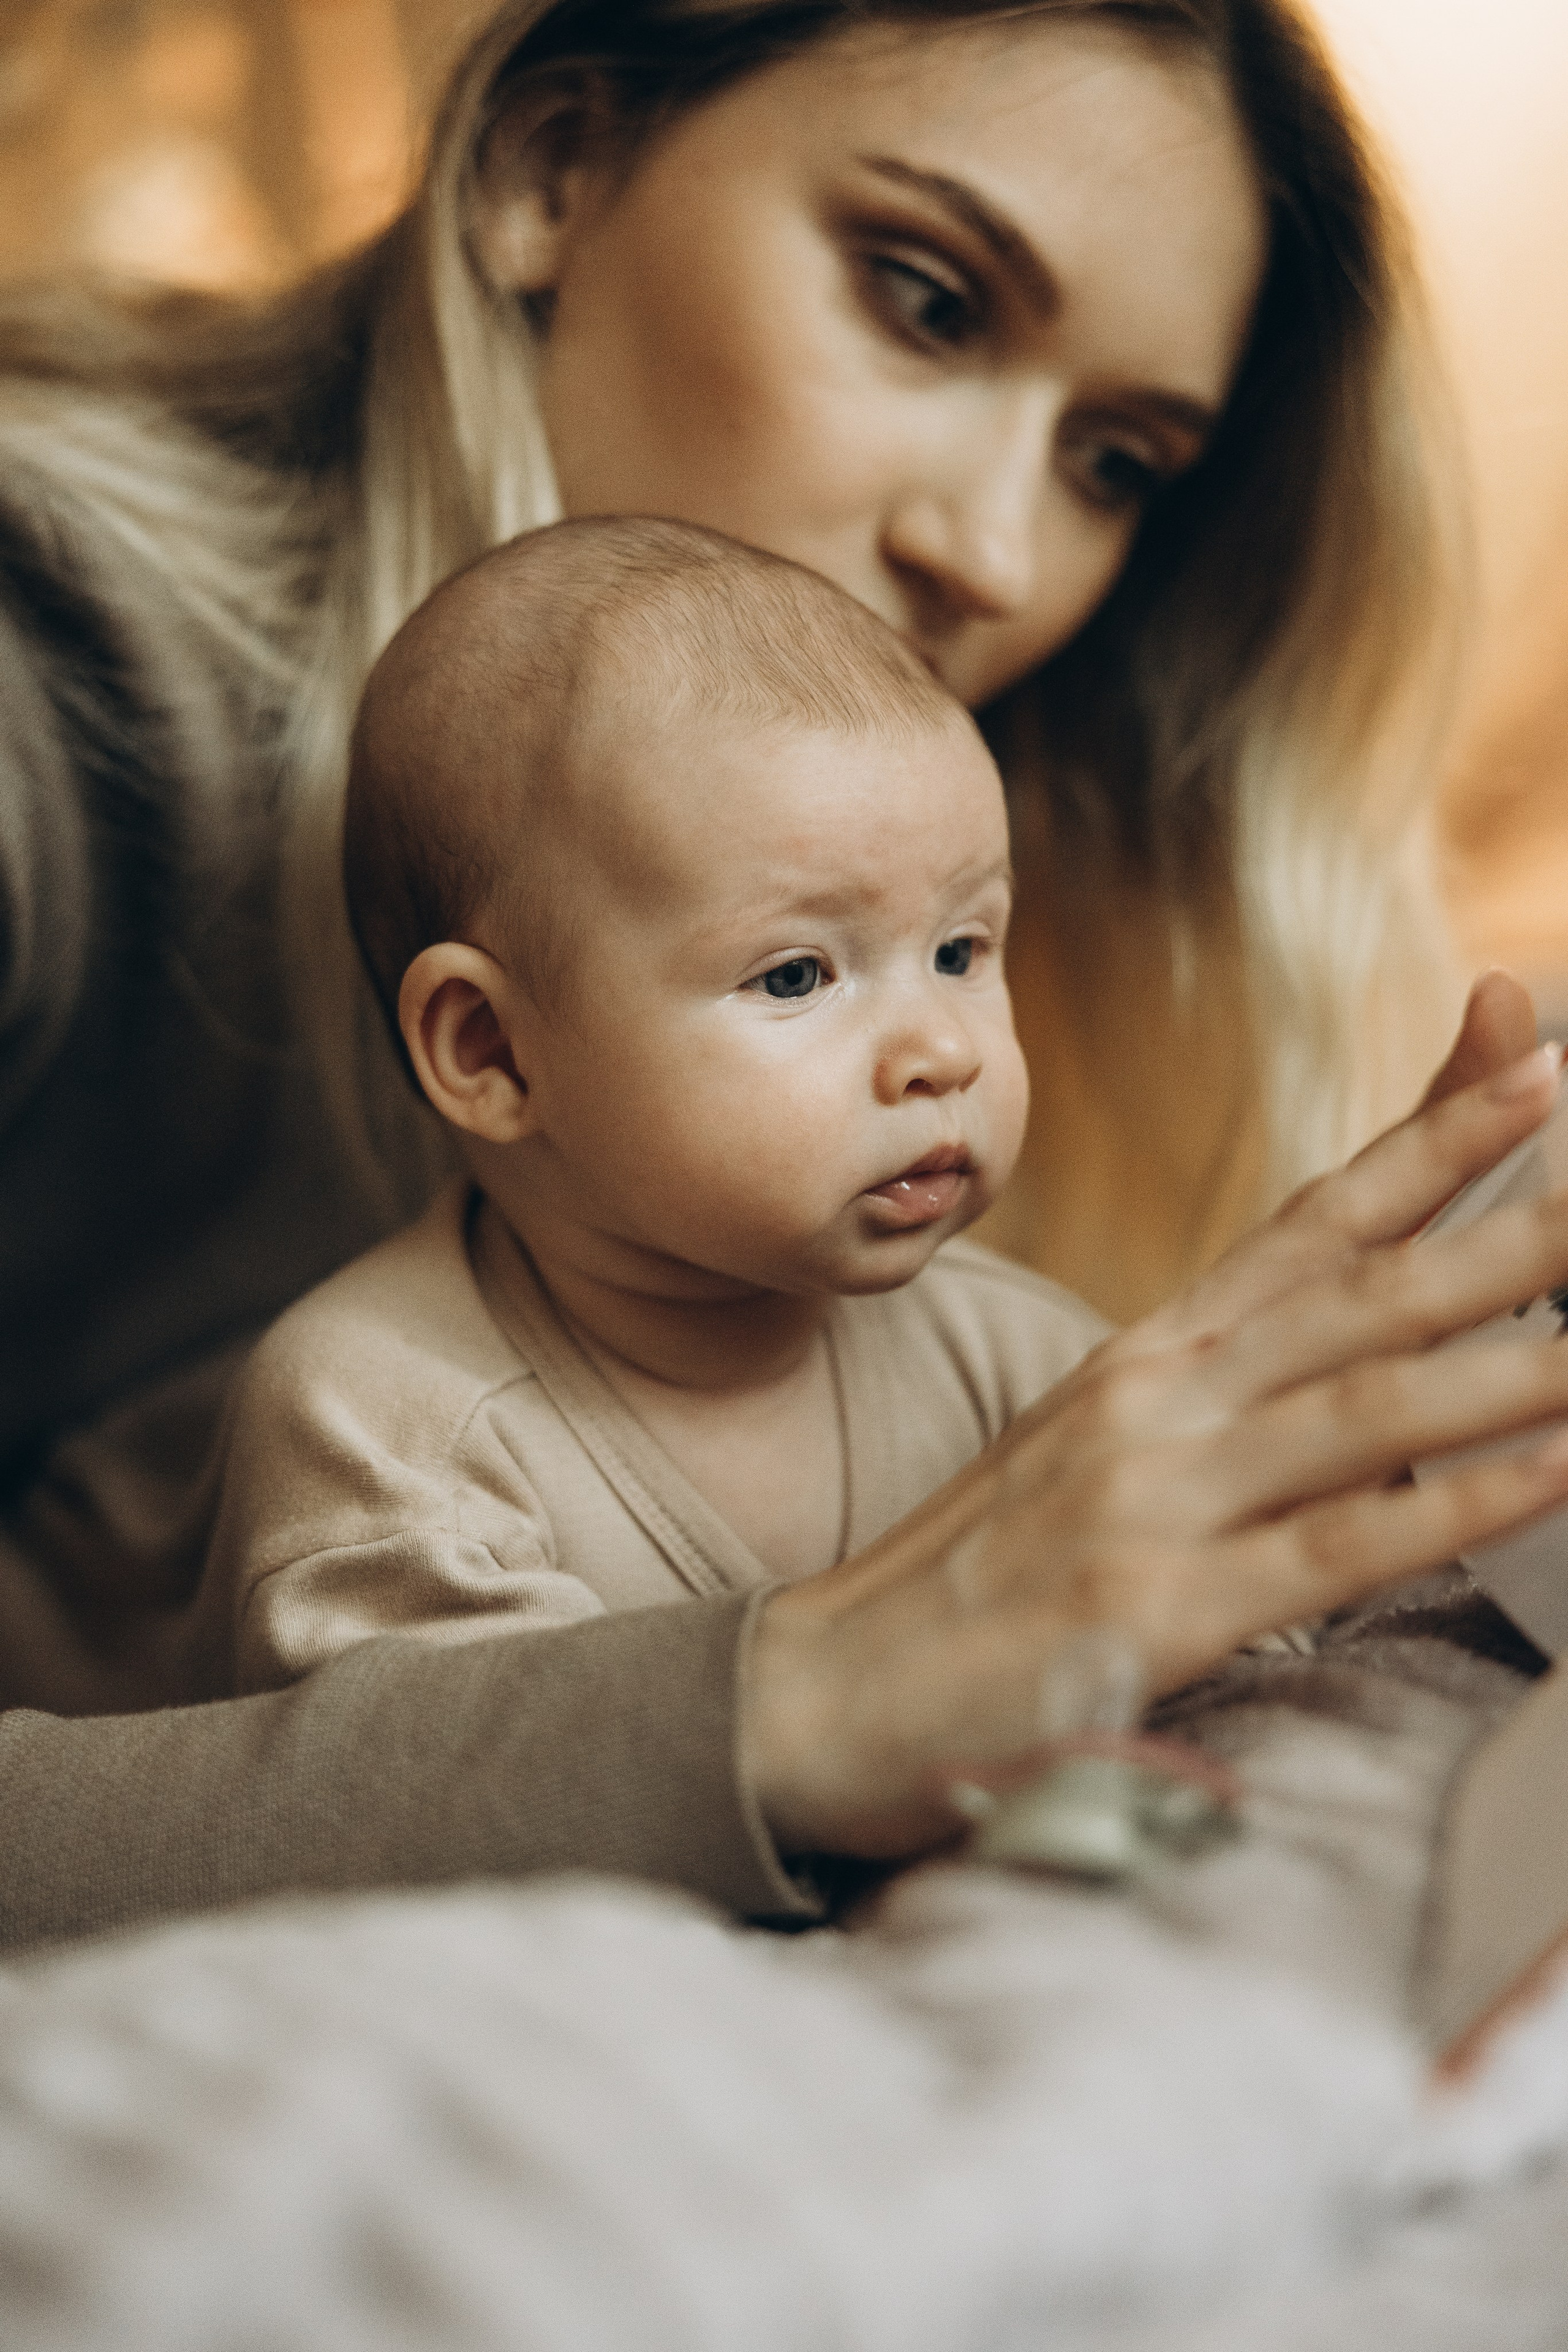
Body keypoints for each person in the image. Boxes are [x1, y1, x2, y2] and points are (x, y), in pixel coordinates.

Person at [0, 0, 1552, 1948]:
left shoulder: (903, 1196)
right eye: (922, 297)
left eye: (1116, 462)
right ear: (545, 172)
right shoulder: (37, 713)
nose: (996, 552)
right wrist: (793, 1708)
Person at [195, 518, 1104, 1705]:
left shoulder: (1018, 1360)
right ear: (495, 1052)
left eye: (958, 948)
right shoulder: (378, 1420)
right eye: (794, 975)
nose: (940, 1049)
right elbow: (472, 1809)